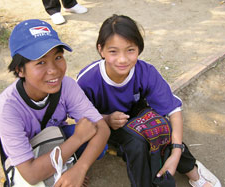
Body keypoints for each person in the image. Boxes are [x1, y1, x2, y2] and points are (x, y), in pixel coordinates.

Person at [77, 14, 221, 187]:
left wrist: (176, 153)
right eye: (113, 51)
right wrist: (107, 119)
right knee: (136, 144)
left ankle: (193, 171)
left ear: (139, 48)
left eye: (130, 50)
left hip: (137, 117)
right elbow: (80, 118)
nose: (122, 59)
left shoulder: (145, 71)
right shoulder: (88, 79)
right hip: (104, 126)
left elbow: (173, 110)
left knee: (161, 125)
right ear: (101, 50)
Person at [0, 19, 110, 187]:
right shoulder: (7, 108)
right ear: (19, 70)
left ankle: (65, 168)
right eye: (40, 62)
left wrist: (79, 170)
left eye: (58, 57)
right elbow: (31, 174)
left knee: (98, 142)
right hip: (28, 156)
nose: (54, 69)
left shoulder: (67, 86)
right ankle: (57, 170)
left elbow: (102, 128)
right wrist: (77, 138)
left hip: (54, 139)